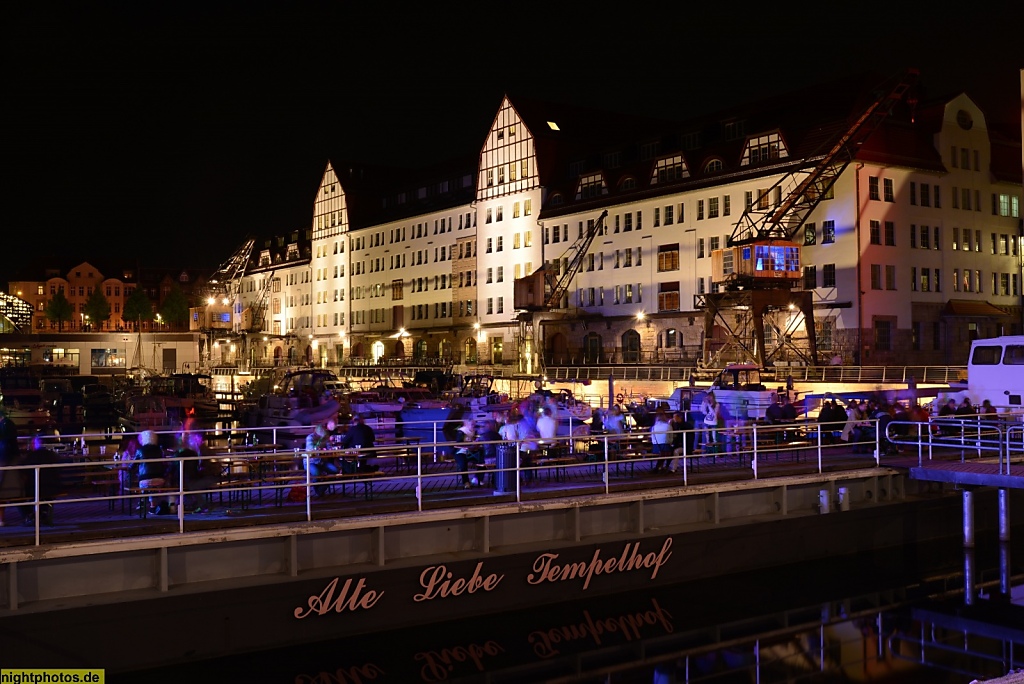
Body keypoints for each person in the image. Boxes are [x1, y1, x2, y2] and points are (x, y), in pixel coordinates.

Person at [20, 435, 61, 526]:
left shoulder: (29, 457)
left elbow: (24, 473)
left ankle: (31, 515)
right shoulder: (52, 455)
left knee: (19, 496)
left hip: (34, 488)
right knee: (45, 494)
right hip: (53, 487)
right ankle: (42, 514)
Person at [135, 430, 170, 515]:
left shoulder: (140, 450)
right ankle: (152, 507)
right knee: (153, 486)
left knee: (145, 484)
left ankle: (142, 501)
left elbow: (132, 465)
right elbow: (164, 463)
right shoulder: (159, 450)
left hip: (145, 480)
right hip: (159, 479)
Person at [453, 418, 480, 488]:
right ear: (467, 424)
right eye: (472, 424)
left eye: (474, 424)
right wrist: (470, 444)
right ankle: (466, 482)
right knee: (463, 463)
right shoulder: (461, 431)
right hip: (460, 451)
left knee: (482, 460)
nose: (474, 426)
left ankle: (476, 478)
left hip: (471, 451)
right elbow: (458, 443)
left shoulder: (474, 431)